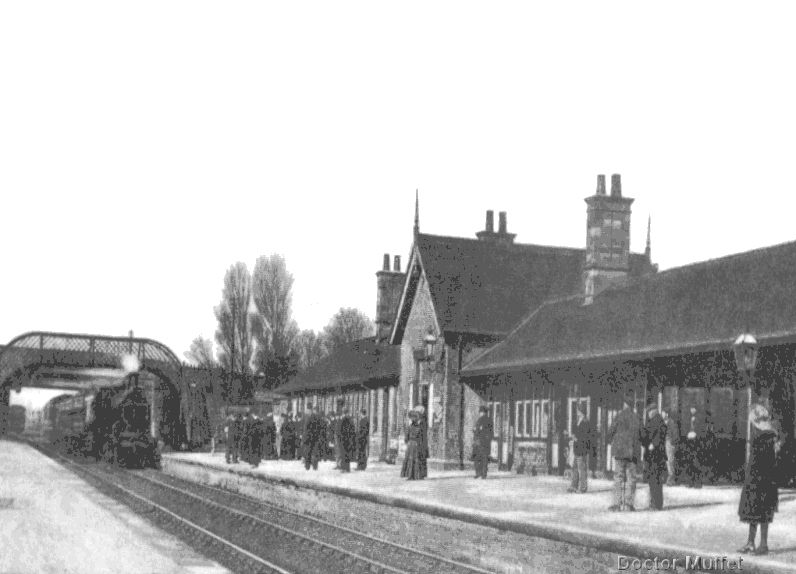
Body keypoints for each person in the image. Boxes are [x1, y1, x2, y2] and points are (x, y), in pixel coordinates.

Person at [737, 403, 781, 555]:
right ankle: (755, 543)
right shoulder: (773, 436)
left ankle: (761, 544)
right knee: (762, 513)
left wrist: (749, 480)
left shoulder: (761, 438)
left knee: (757, 512)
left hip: (757, 481)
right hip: (768, 481)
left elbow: (756, 463)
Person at [607, 392, 641, 511]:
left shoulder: (619, 416)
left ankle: (616, 504)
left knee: (618, 477)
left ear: (625, 404)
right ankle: (628, 504)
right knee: (631, 478)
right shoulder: (636, 417)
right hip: (632, 452)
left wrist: (610, 441)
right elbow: (641, 434)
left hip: (620, 451)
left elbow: (611, 431)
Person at [641, 404, 668, 510]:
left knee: (653, 480)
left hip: (653, 455)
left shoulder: (654, 422)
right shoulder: (660, 421)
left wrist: (652, 444)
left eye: (649, 412)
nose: (648, 414)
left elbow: (650, 437)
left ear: (653, 411)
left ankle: (655, 503)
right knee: (656, 480)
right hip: (658, 455)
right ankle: (657, 503)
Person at [568, 403, 592, 493]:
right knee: (574, 467)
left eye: (578, 410)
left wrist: (576, 438)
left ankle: (583, 487)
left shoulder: (585, 422)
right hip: (576, 447)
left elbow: (585, 436)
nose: (577, 412)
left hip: (582, 448)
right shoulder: (578, 421)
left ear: (581, 411)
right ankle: (574, 485)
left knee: (581, 468)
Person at [401, 408, 426, 480]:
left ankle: (409, 475)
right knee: (416, 459)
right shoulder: (419, 428)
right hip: (416, 444)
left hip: (410, 444)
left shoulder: (409, 427)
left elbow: (406, 438)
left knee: (409, 459)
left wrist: (407, 442)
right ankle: (416, 475)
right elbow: (421, 438)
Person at [683, 406, 704, 488]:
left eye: (694, 408)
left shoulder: (700, 418)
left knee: (697, 462)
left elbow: (702, 430)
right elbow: (685, 428)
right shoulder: (688, 418)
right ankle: (690, 482)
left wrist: (696, 434)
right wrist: (687, 434)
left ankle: (697, 482)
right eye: (691, 408)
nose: (692, 410)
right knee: (689, 462)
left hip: (697, 442)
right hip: (689, 441)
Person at [302, 405, 325, 471]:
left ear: (311, 410)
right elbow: (321, 429)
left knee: (308, 453)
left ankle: (307, 467)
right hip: (316, 438)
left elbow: (306, 430)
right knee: (315, 453)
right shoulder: (319, 418)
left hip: (309, 438)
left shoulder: (309, 418)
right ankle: (315, 467)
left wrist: (304, 439)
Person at [473, 405, 493, 479]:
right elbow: (491, 432)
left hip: (480, 442)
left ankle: (479, 473)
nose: (480, 413)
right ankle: (483, 474)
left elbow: (477, 429)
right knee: (484, 458)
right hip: (484, 442)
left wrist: (476, 429)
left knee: (478, 458)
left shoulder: (482, 420)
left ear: (483, 412)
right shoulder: (489, 420)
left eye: (481, 412)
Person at [661, 410, 678, 486]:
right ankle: (666, 478)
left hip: (669, 442)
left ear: (667, 414)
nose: (662, 414)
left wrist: (672, 443)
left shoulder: (671, 422)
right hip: (663, 442)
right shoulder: (662, 422)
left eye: (663, 413)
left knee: (670, 461)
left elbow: (674, 433)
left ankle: (671, 479)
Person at [339, 408, 356, 472]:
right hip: (349, 440)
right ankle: (347, 468)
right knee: (347, 454)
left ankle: (344, 468)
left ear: (344, 413)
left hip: (344, 440)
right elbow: (352, 430)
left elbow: (340, 430)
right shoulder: (350, 420)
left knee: (343, 454)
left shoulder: (343, 420)